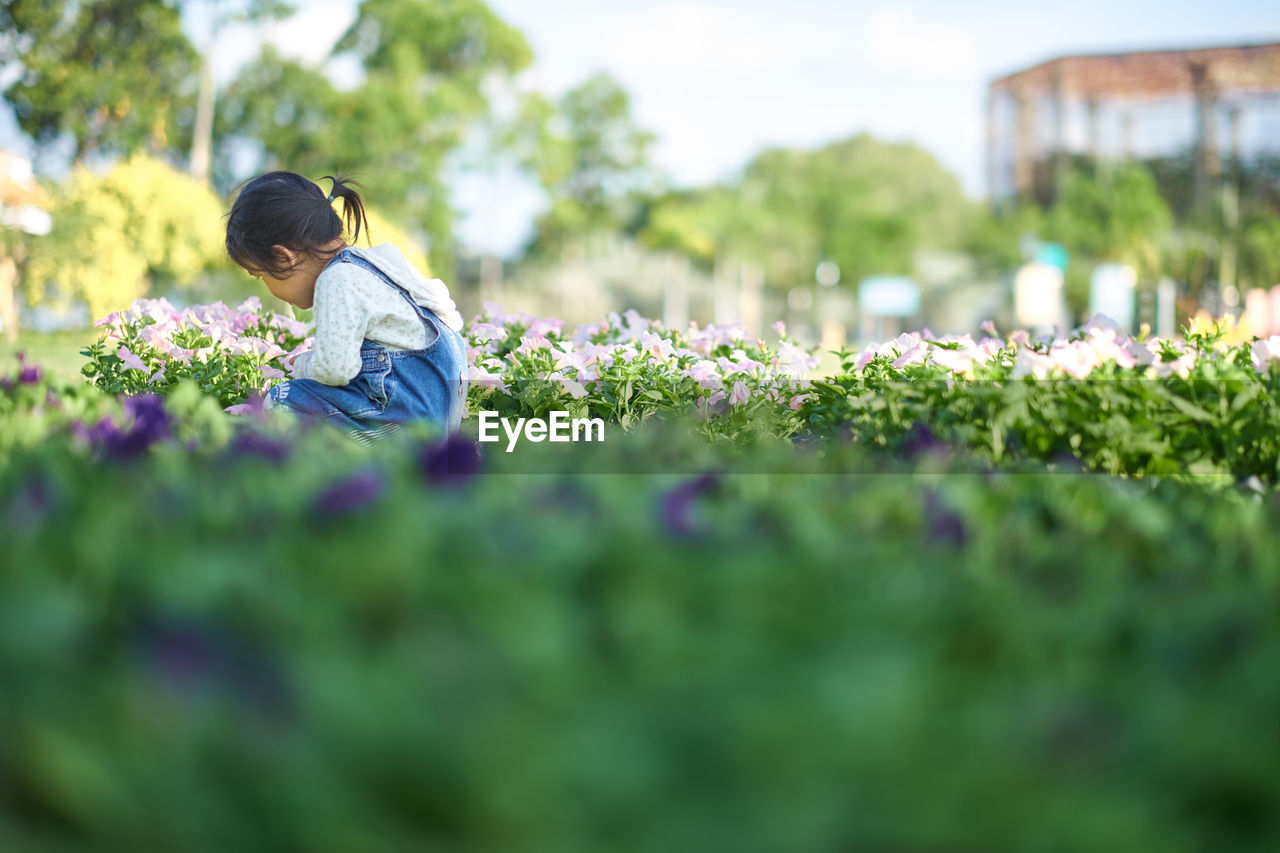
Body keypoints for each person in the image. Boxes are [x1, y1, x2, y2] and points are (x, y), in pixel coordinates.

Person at [224, 171, 468, 443]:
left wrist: (303, 364)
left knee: (282, 399)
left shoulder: (337, 278)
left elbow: (335, 371)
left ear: (284, 257)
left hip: (400, 428)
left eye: (261, 275)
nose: (267, 286)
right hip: (435, 428)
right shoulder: (380, 265)